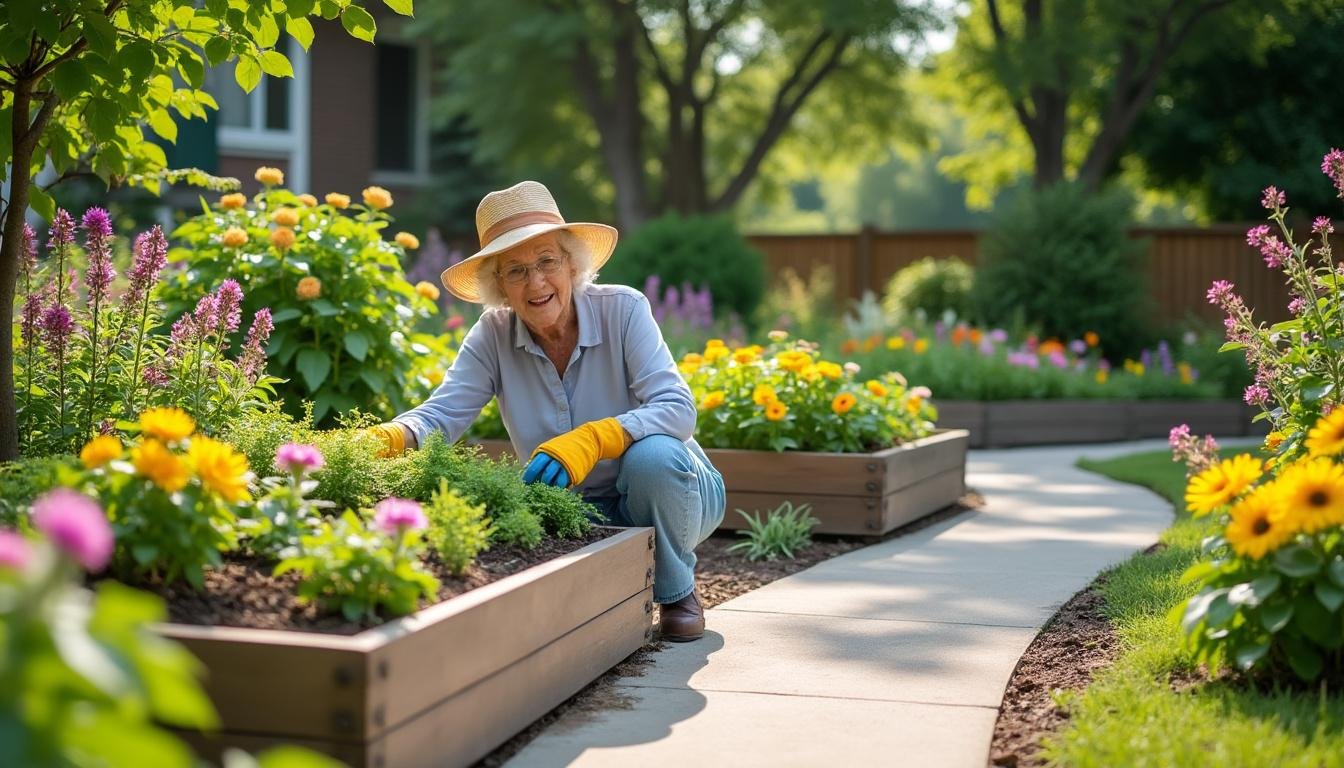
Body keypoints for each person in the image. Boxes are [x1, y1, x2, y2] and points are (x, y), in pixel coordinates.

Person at [369, 180, 725, 641]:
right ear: (499, 285)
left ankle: (677, 593)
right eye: (516, 271)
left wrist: (595, 438)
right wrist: (386, 438)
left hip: (676, 492)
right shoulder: (492, 335)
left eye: (546, 262)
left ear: (572, 264)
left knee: (652, 457)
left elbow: (677, 408)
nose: (535, 282)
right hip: (579, 508)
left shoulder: (623, 309)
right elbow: (441, 415)